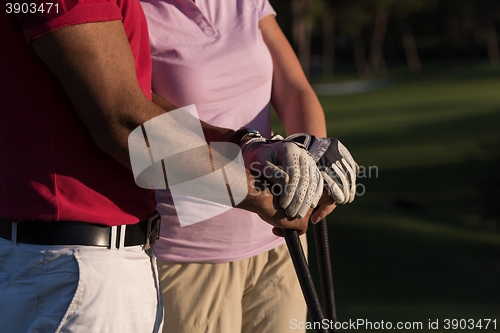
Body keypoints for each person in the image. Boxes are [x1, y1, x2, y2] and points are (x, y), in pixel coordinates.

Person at [0, 0, 327, 331]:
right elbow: (124, 123)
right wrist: (265, 195)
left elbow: (135, 99)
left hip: (110, 261)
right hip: (78, 267)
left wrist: (246, 145)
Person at [139, 0, 344, 332]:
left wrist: (313, 163)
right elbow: (142, 130)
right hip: (190, 258)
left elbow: (293, 90)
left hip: (280, 243)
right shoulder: (133, 10)